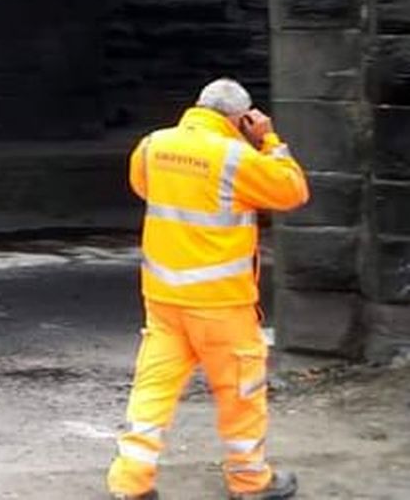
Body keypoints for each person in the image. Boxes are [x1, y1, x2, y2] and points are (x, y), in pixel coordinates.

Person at [106, 78, 311, 500]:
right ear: (240, 118)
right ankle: (250, 482)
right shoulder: (236, 157)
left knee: (153, 389)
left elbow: (144, 188)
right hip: (221, 305)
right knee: (241, 395)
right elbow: (292, 190)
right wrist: (268, 138)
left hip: (163, 299)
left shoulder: (152, 145)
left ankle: (130, 483)